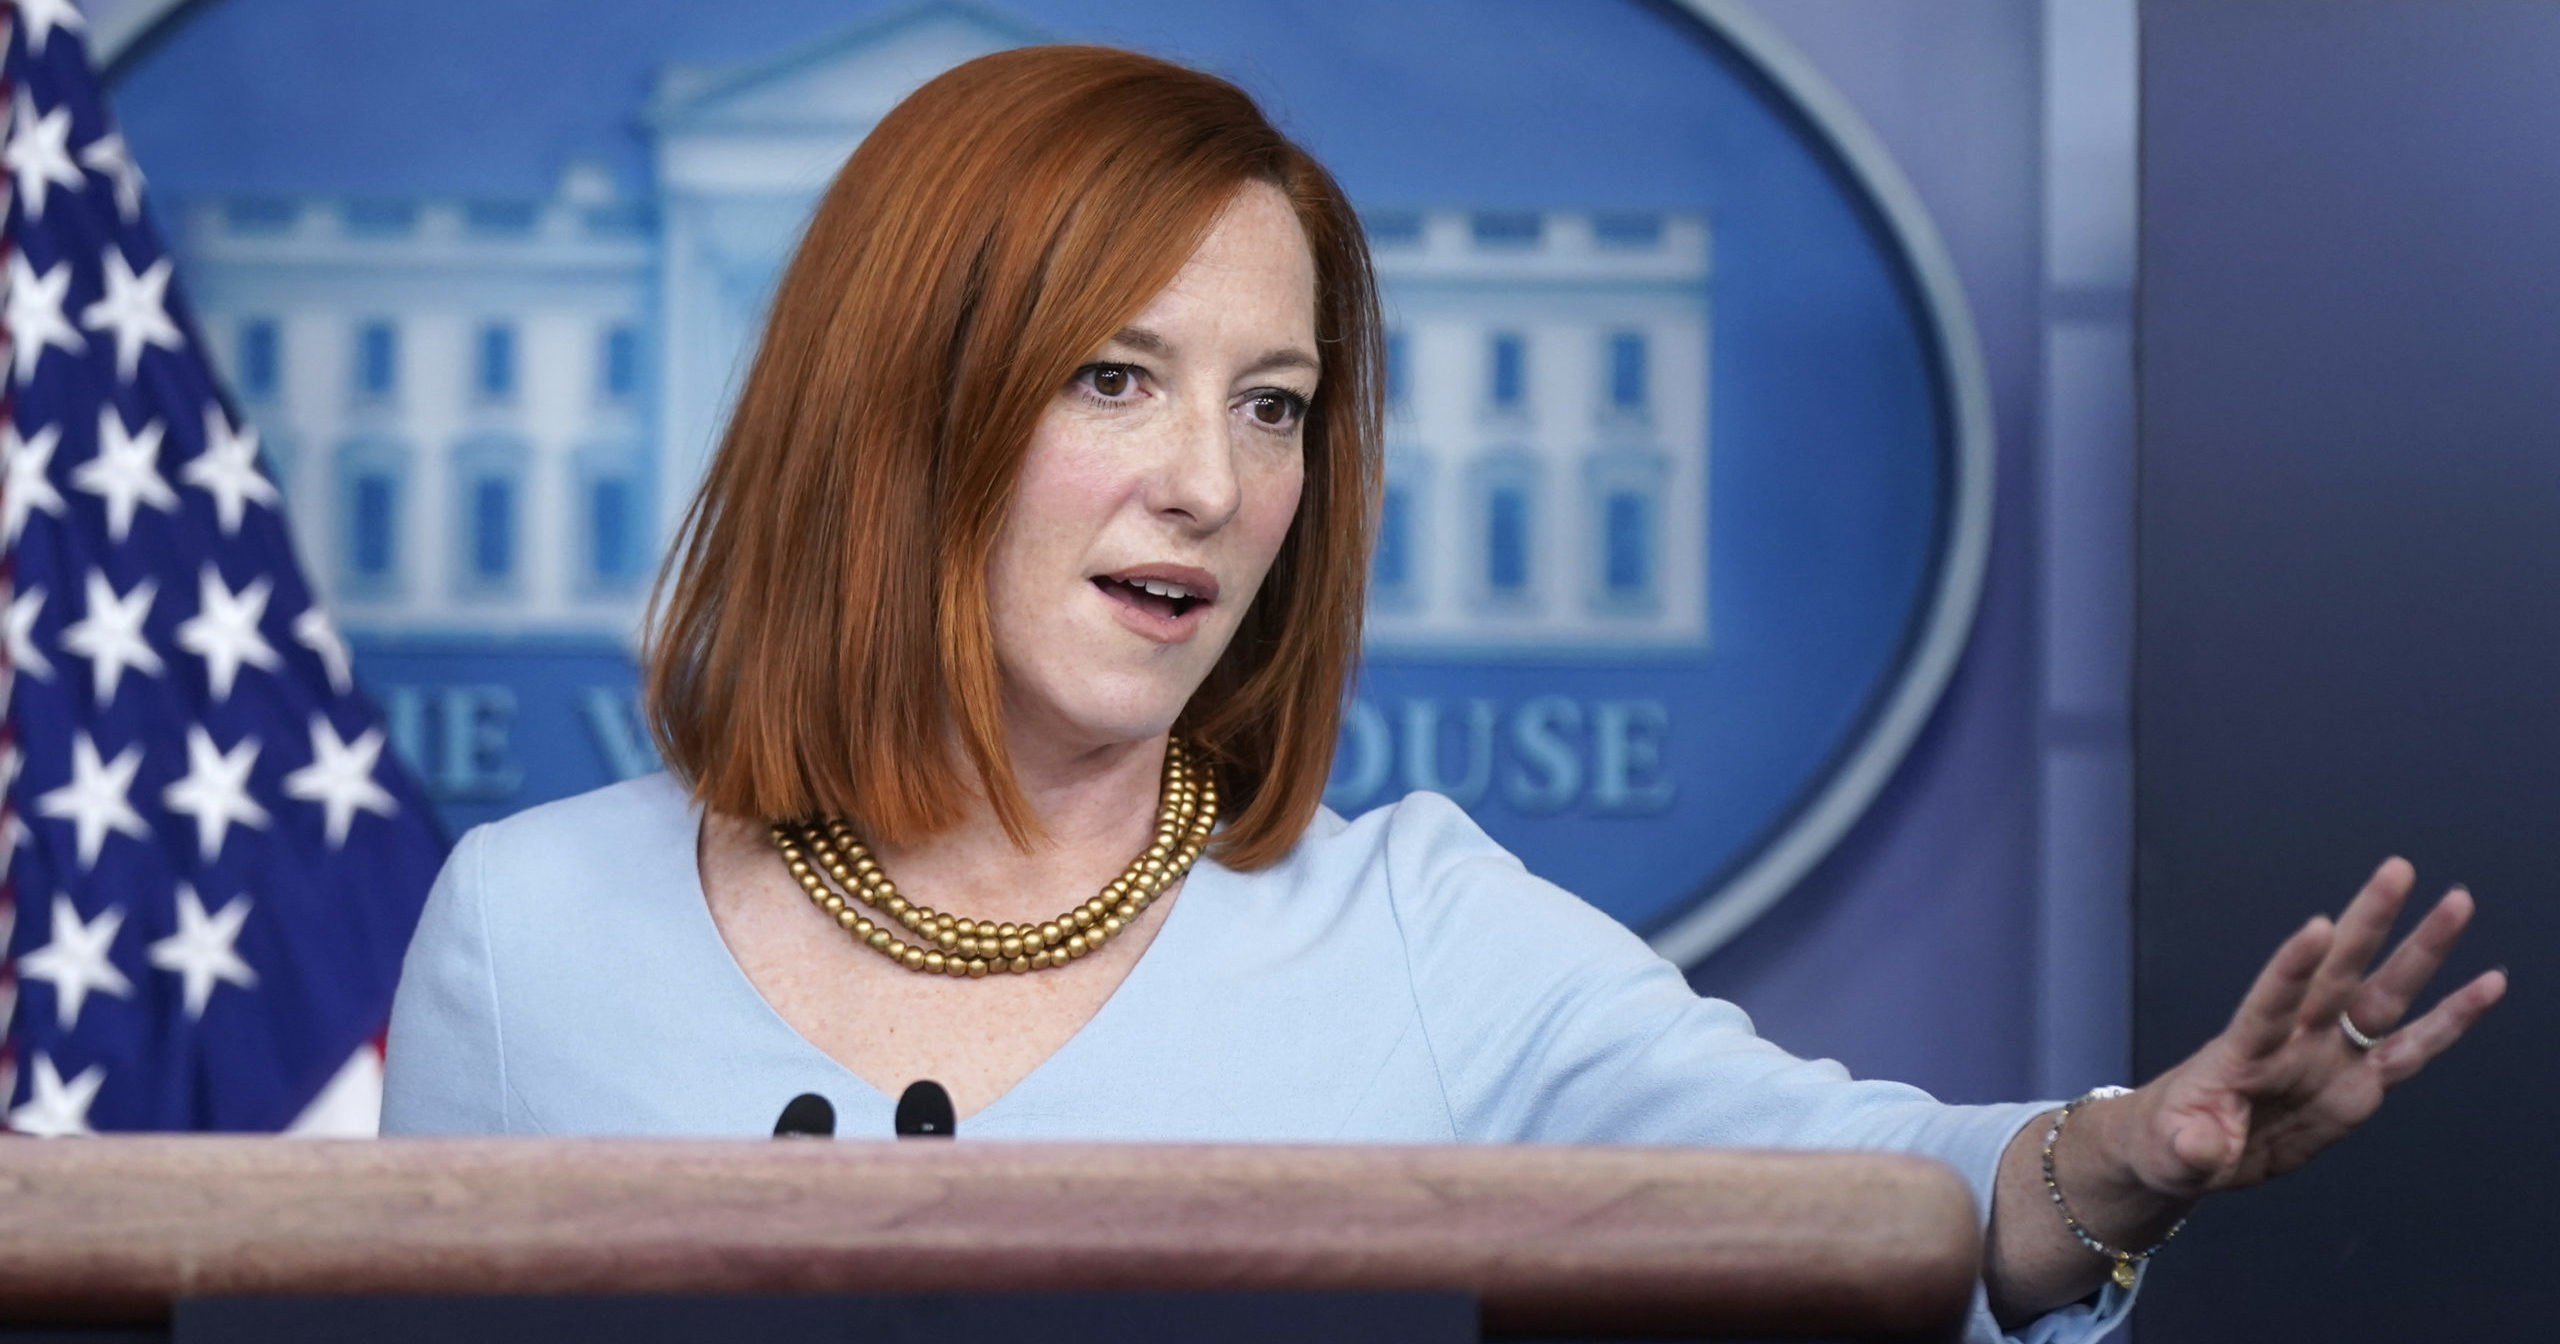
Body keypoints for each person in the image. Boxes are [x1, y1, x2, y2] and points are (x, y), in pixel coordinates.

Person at [379, 44, 2507, 1342]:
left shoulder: (1410, 920)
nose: (1212, 485)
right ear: (901, 403)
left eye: (1276, 405)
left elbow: (1862, 1200)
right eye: (1116, 376)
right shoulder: (527, 927)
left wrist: (2132, 1157)